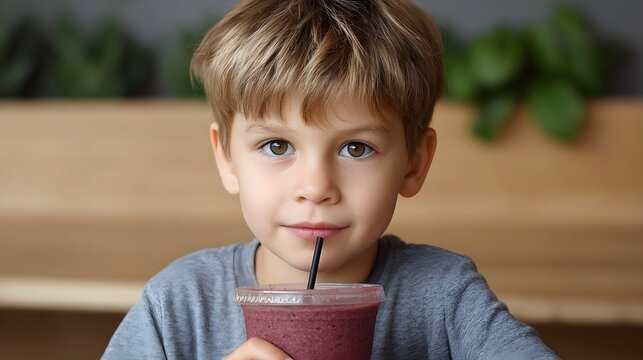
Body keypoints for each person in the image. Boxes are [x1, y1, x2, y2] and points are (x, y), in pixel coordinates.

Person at [103, 0, 558, 359]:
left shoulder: (445, 294)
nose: (317, 186)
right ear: (226, 158)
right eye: (276, 146)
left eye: (355, 148)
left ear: (415, 163)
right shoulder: (180, 303)